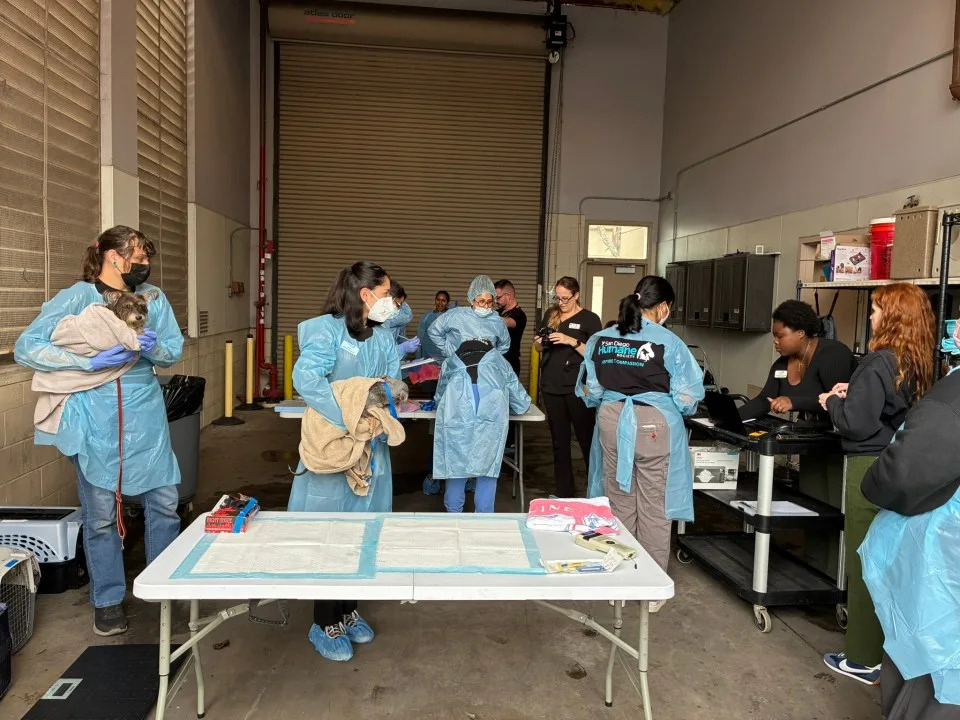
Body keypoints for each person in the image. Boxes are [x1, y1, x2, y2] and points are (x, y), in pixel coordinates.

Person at [14, 225, 183, 637]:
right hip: (94, 414)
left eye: (146, 257)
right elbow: (27, 346)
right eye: (138, 256)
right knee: (102, 515)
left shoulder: (152, 300)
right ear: (112, 256)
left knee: (164, 504)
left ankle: (163, 591)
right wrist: (87, 363)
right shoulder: (77, 299)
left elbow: (174, 349)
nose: (144, 264)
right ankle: (107, 600)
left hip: (144, 413)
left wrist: (151, 347)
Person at [817, 284, 935, 686]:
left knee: (865, 561)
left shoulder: (875, 361)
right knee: (891, 562)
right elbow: (892, 409)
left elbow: (856, 423)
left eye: (876, 310)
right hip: (900, 465)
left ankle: (862, 658)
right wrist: (856, 395)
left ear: (893, 317)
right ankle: (891, 653)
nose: (870, 317)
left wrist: (832, 402)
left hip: (867, 467)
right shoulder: (917, 360)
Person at [288, 261, 401, 662]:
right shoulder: (326, 330)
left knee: (364, 531)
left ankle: (349, 609)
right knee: (330, 534)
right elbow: (307, 381)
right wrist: (348, 414)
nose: (392, 302)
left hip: (371, 447)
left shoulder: (384, 337)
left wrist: (393, 393)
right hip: (334, 446)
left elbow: (389, 380)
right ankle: (324, 620)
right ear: (366, 294)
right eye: (386, 294)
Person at [858, 324, 960, 718]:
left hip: (943, 585)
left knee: (930, 687)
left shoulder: (952, 399)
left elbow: (902, 475)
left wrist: (873, 482)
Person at [578, 276, 704, 579]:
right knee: (654, 504)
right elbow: (688, 398)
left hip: (611, 420)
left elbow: (591, 391)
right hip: (653, 425)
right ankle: (650, 581)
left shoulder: (601, 338)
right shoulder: (668, 342)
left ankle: (620, 578)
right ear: (663, 307)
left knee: (619, 498)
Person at [433, 330, 531, 514]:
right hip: (490, 421)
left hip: (456, 420)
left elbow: (439, 399)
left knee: (455, 467)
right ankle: (484, 518)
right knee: (487, 467)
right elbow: (521, 403)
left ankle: (453, 515)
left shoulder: (451, 362)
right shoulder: (499, 362)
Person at [536, 277, 602, 497]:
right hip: (551, 385)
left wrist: (570, 340)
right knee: (559, 442)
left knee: (586, 440)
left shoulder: (590, 320)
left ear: (577, 295)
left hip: (577, 388)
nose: (561, 302)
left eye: (566, 298)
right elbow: (538, 348)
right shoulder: (550, 314)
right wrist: (539, 342)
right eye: (558, 298)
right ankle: (564, 492)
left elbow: (595, 354)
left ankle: (596, 492)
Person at [738, 299, 857, 420]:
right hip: (808, 429)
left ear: (800, 333)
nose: (775, 341)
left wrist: (793, 402)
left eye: (780, 336)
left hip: (837, 433)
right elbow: (764, 401)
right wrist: (729, 419)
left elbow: (840, 401)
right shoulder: (782, 363)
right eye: (774, 336)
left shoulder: (833, 355)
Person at [428, 275, 509, 359]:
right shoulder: (456, 315)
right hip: (458, 367)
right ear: (472, 301)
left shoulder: (497, 321)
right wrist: (449, 351)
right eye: (481, 301)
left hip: (485, 370)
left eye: (489, 302)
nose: (486, 306)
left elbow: (504, 345)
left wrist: (491, 358)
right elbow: (434, 330)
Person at [494, 279, 527, 376]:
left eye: (498, 298)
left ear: (508, 296)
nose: (496, 301)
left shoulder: (519, 315)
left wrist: (487, 316)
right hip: (495, 363)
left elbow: (509, 322)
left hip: (509, 365)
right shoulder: (498, 312)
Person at [384, 282, 418, 356]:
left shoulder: (388, 322)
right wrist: (401, 349)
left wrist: (405, 343)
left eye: (400, 306)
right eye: (397, 305)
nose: (398, 309)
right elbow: (378, 356)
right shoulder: (373, 321)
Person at [417, 290, 450, 360]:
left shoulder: (451, 318)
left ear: (447, 302)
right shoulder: (426, 317)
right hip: (427, 357)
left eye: (443, 300)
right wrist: (419, 357)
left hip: (445, 357)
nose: (440, 303)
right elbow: (420, 337)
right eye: (438, 300)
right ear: (435, 300)